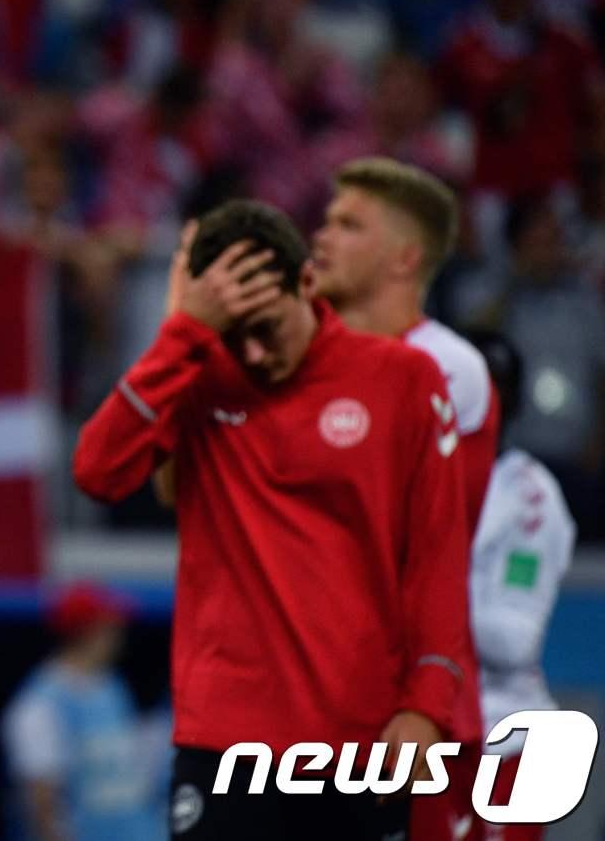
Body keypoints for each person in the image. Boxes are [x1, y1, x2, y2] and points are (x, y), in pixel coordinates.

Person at [73, 199, 471, 840]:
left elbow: (438, 559)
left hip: (359, 739)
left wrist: (428, 707)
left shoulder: (402, 379)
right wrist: (184, 333)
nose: (253, 352)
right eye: (237, 333)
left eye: (268, 326)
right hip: (224, 738)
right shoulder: (198, 375)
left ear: (308, 283)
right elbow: (97, 471)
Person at [310, 155, 499, 841]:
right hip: (309, 694)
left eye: (349, 225)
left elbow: (413, 541)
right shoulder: (303, 355)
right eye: (327, 220)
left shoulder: (449, 367)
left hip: (406, 697)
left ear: (403, 257)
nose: (321, 237)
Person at [464, 331, 576, 841]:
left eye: (497, 389)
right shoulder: (418, 477)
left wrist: (417, 601)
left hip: (506, 738)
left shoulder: (531, 499)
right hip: (427, 737)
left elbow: (513, 639)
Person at [0, 582, 166, 841]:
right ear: (89, 631)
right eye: (110, 624)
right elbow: (42, 803)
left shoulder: (112, 687)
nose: (119, 632)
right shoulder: (40, 705)